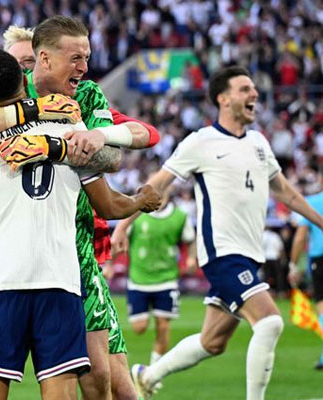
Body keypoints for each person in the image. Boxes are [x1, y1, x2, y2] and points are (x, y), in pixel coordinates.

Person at [0, 17, 161, 400]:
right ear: (40, 61)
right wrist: (51, 129)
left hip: (72, 251)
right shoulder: (53, 118)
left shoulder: (83, 101)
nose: (84, 67)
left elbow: (120, 153)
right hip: (33, 268)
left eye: (87, 57)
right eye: (76, 58)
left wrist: (89, 137)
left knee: (105, 379)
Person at [111, 66, 323, 399]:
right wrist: (124, 224)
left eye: (253, 88)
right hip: (223, 254)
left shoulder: (258, 142)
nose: (254, 94)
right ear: (223, 99)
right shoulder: (201, 142)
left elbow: (286, 192)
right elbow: (158, 186)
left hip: (247, 256)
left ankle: (147, 376)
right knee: (270, 322)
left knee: (213, 342)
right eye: (245, 89)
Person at [114, 187, 196, 365]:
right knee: (139, 327)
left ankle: (153, 371)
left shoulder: (179, 216)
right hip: (139, 279)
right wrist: (110, 264)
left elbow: (190, 239)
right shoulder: (135, 215)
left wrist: (191, 258)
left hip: (166, 279)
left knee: (163, 325)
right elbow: (119, 239)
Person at [289, 164, 323, 370]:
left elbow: (300, 237)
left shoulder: (312, 203)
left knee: (322, 306)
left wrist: (293, 264)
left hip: (320, 259)